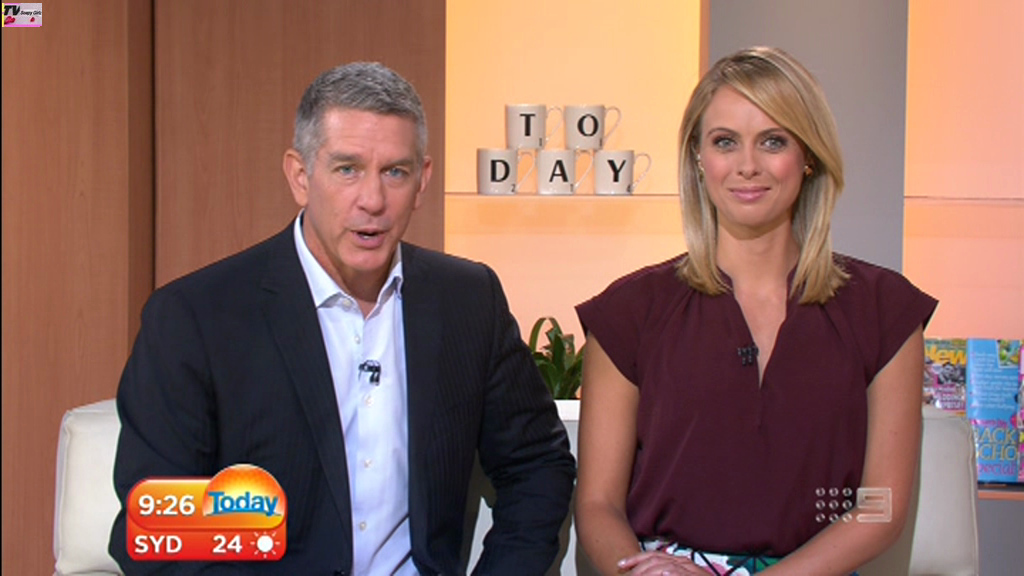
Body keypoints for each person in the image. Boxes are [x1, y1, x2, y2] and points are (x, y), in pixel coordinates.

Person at [109, 62, 575, 575]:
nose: (372, 201)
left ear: (422, 181)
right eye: (347, 169)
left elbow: (537, 465)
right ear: (300, 176)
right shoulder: (196, 317)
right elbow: (158, 531)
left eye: (395, 172)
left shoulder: (468, 300)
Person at [574, 47, 936, 576]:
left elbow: (880, 508)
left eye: (773, 141)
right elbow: (597, 505)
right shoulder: (629, 312)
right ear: (698, 159)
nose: (747, 165)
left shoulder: (884, 310)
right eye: (725, 142)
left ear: (808, 156)